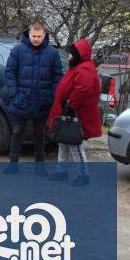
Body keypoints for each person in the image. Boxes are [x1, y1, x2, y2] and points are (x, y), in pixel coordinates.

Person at [3, 21, 63, 174]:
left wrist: (50, 96)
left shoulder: (52, 53)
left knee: (40, 134)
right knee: (17, 132)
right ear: (28, 34)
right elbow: (10, 72)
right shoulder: (18, 50)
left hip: (42, 101)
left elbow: (57, 77)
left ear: (44, 35)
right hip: (21, 99)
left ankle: (40, 165)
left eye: (39, 36)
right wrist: (14, 94)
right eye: (33, 36)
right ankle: (13, 163)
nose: (36, 39)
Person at [46, 38, 102, 185]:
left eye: (71, 54)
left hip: (75, 113)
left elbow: (83, 89)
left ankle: (84, 176)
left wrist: (71, 105)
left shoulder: (85, 69)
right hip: (67, 111)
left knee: (74, 144)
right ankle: (61, 171)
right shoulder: (80, 66)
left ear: (79, 54)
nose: (69, 56)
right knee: (63, 142)